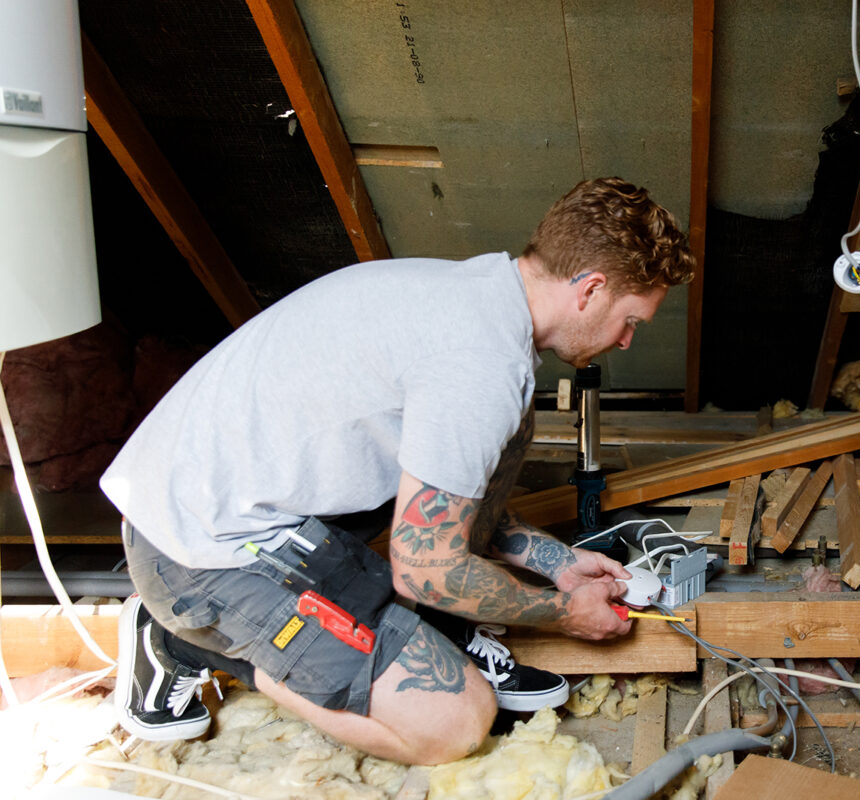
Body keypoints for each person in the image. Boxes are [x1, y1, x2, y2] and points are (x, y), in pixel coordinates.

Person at [100, 177, 695, 764]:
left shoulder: (483, 295)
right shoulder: (478, 366)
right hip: (196, 552)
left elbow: (454, 494)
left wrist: (557, 562)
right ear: (590, 289)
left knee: (506, 439)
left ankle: (426, 631)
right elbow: (424, 572)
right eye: (632, 321)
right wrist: (565, 614)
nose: (624, 341)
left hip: (233, 497)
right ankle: (186, 640)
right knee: (456, 721)